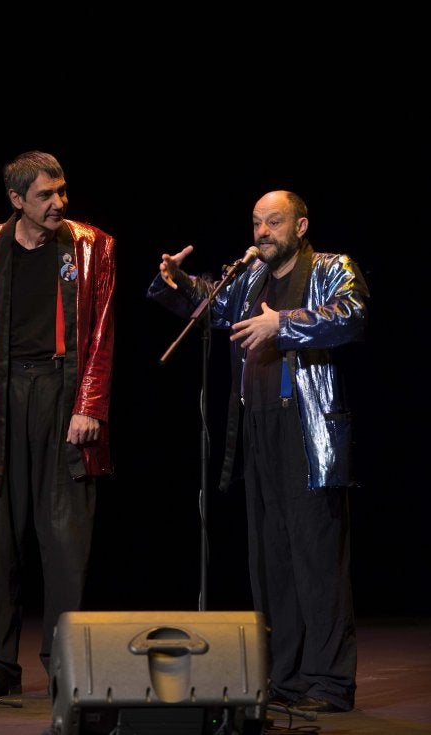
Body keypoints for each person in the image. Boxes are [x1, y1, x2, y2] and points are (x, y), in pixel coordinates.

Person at [146, 190, 369, 713]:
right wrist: (176, 281)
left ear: (301, 224)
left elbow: (352, 314)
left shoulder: (333, 267)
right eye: (256, 223)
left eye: (274, 222)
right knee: (271, 560)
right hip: (259, 429)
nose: (262, 232)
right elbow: (210, 305)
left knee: (316, 558)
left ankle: (329, 683)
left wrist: (282, 323)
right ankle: (286, 679)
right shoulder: (248, 278)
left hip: (308, 431)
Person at [0, 151, 116, 697]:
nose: (58, 203)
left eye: (61, 191)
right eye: (45, 195)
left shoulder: (93, 245)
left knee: (67, 538)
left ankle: (65, 662)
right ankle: (0, 662)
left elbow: (100, 335)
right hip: (1, 397)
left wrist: (89, 404)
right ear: (16, 201)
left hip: (63, 394)